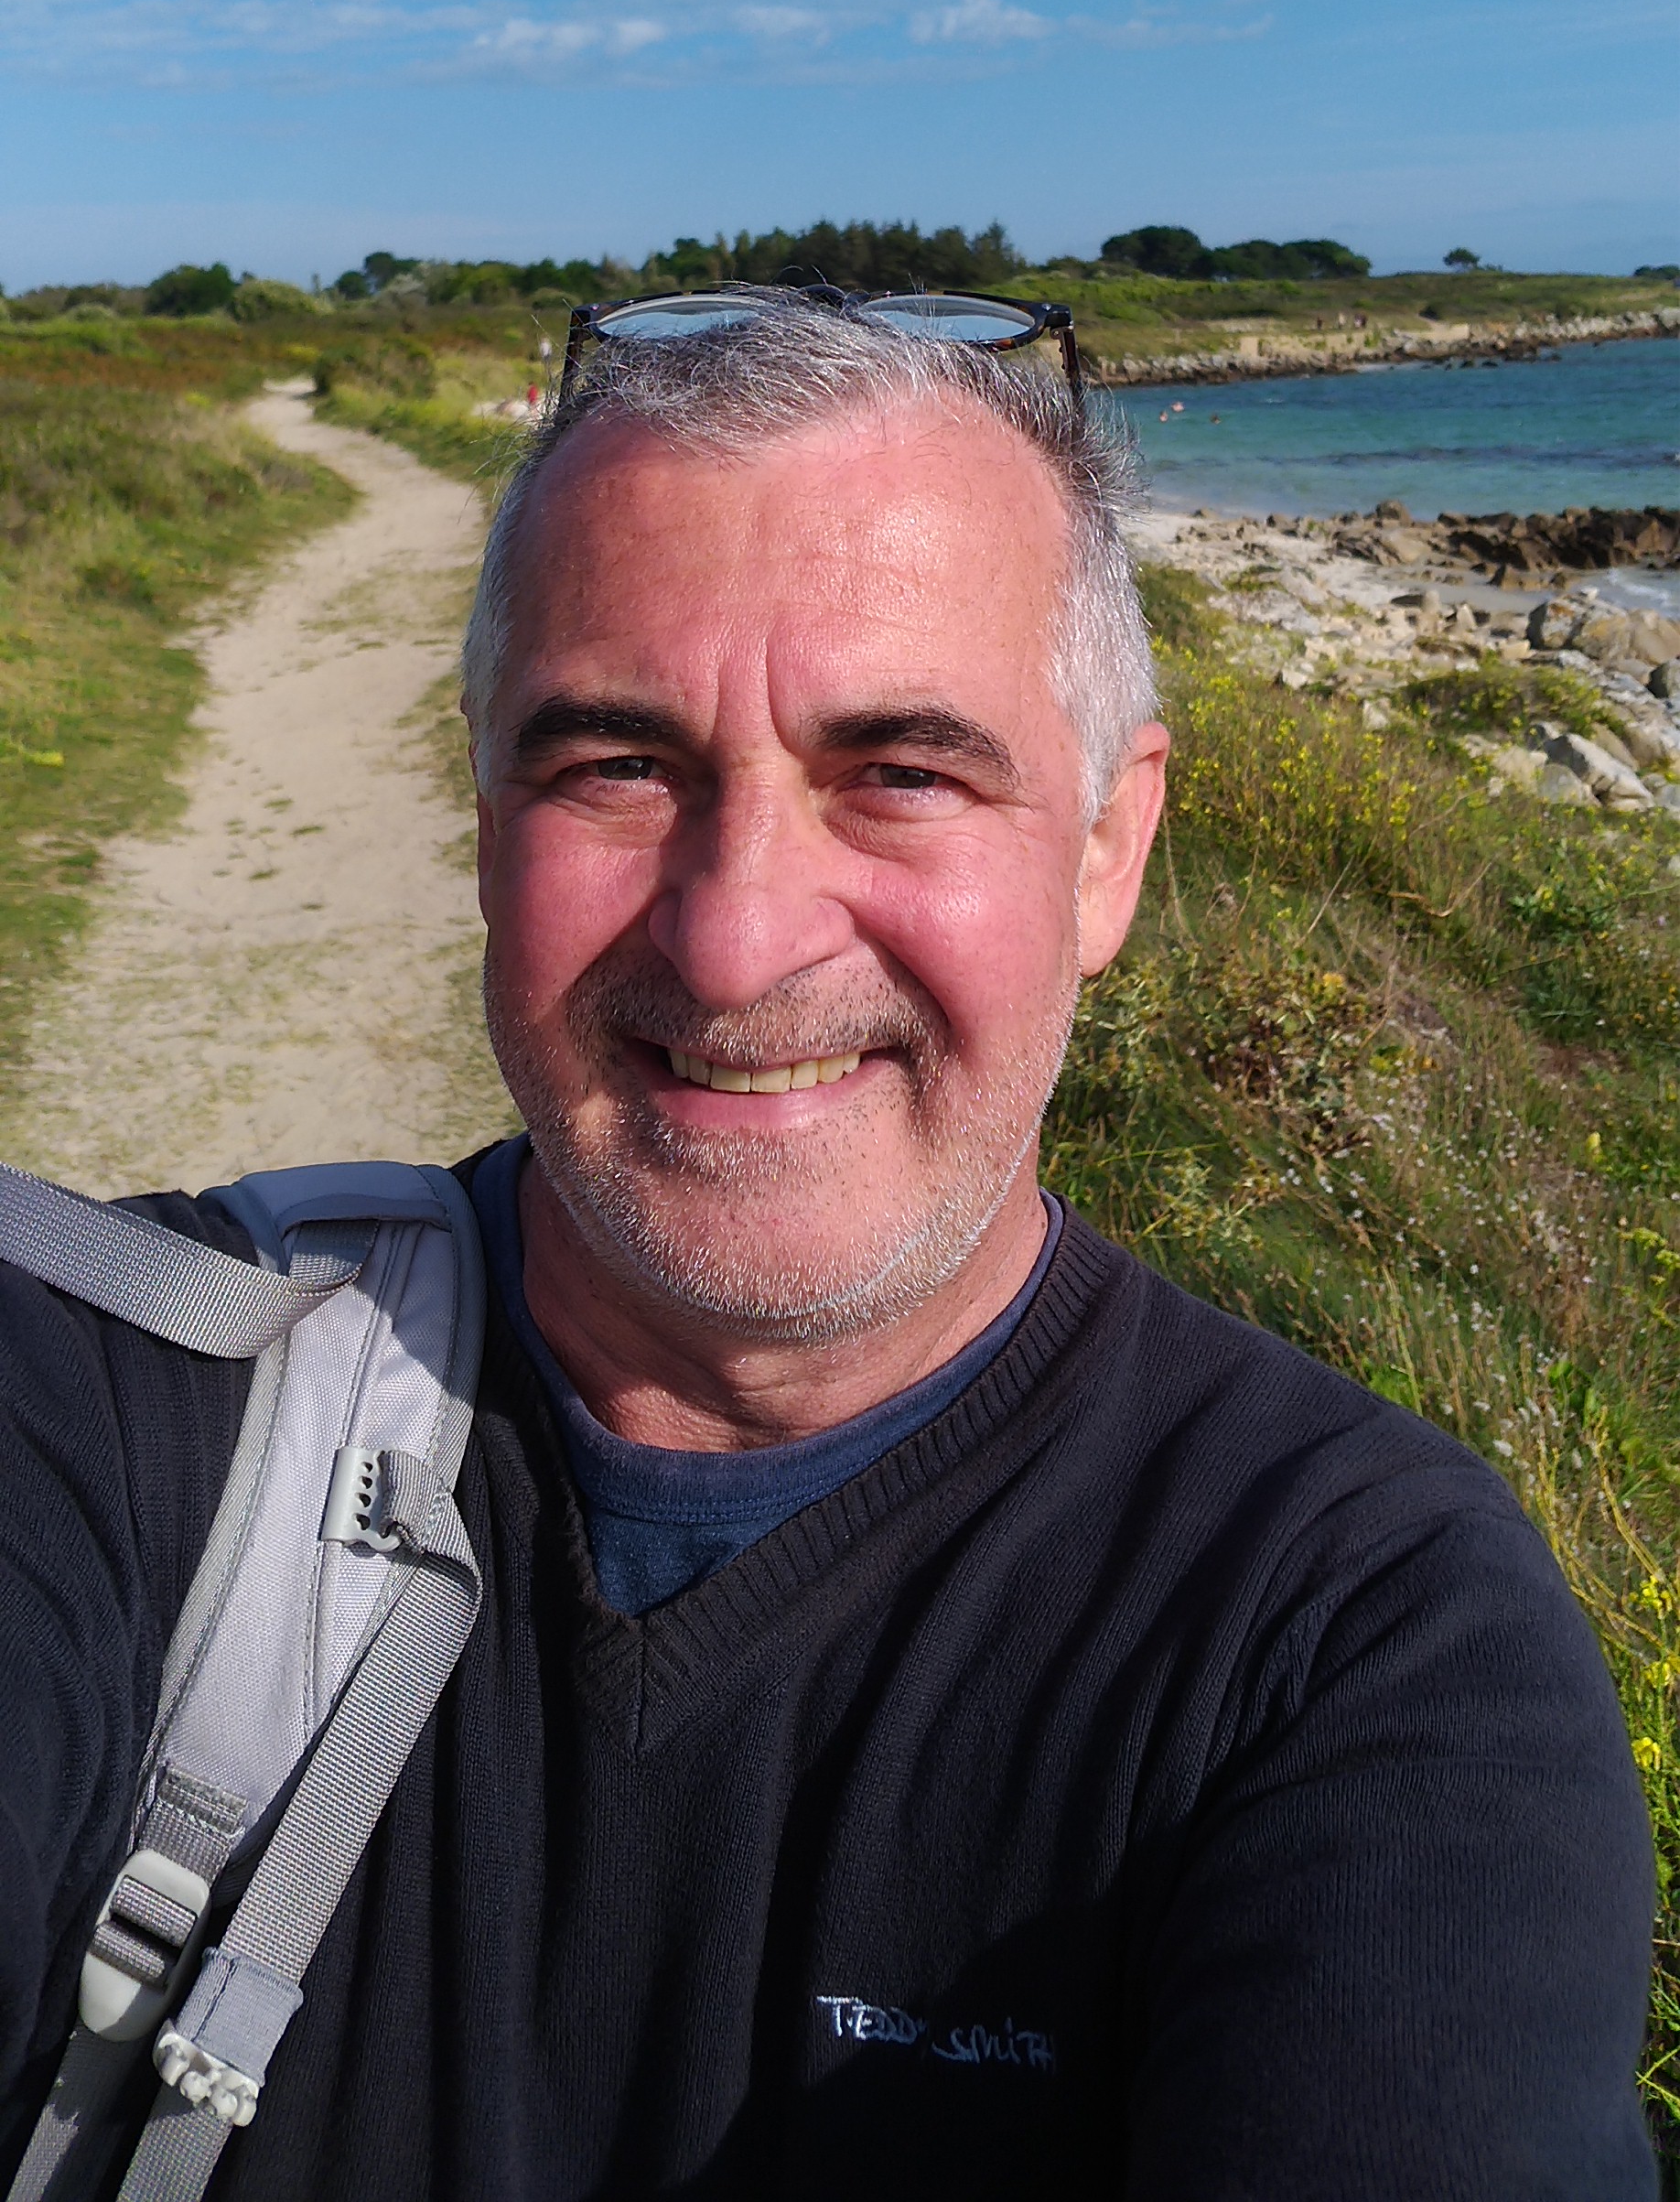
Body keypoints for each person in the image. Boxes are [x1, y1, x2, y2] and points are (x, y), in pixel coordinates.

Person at [0, 299, 1657, 2199]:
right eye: (615, 764)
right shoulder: (104, 1401)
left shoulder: (1357, 1646)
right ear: (484, 827)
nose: (734, 942)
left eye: (903, 773)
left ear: (1108, 849)